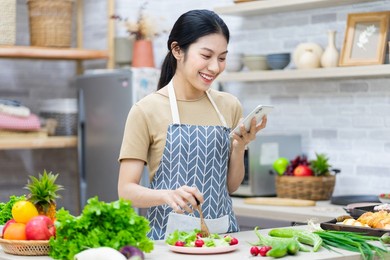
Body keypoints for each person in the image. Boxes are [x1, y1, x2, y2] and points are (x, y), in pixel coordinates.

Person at [118, 9, 267, 240]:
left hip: (223, 240)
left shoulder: (229, 105)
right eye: (206, 56)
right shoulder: (146, 110)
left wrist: (238, 147)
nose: (215, 67)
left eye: (222, 57)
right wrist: (167, 195)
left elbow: (231, 186)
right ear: (177, 50)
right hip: (166, 243)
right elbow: (126, 191)